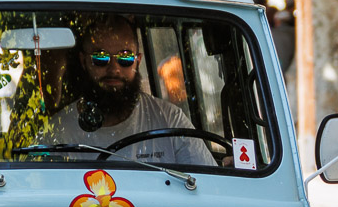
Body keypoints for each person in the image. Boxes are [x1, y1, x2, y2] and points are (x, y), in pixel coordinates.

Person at [45, 16, 213, 166]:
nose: (114, 69)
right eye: (100, 57)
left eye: (125, 57)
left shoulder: (169, 120)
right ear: (84, 61)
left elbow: (205, 182)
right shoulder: (58, 132)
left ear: (137, 61)